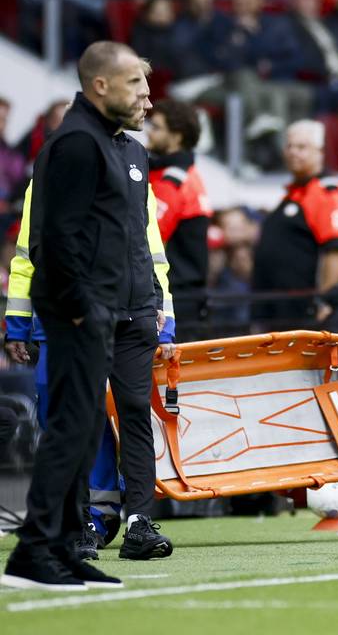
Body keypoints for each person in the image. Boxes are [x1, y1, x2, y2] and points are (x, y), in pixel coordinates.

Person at [2, 42, 177, 591]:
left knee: (85, 430)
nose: (147, 98)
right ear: (100, 86)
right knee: (70, 431)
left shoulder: (119, 148)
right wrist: (80, 309)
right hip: (81, 315)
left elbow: (129, 241)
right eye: (135, 86)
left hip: (120, 311)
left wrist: (147, 304)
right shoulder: (75, 144)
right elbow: (53, 241)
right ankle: (38, 553)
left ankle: (62, 549)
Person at [6, 177, 177, 561]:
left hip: (127, 314)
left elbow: (152, 253)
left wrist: (164, 318)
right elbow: (28, 253)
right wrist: (18, 320)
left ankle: (124, 520)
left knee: (130, 412)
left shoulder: (135, 167)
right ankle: (80, 520)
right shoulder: (49, 175)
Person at [251, 120, 338, 327]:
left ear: (319, 151)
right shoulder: (294, 192)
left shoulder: (328, 192)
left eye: (301, 147)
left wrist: (325, 301)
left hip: (304, 314)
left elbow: (335, 251)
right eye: (289, 146)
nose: (293, 152)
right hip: (277, 311)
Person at [146, 99, 211, 341]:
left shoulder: (173, 181)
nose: (150, 132)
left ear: (177, 137)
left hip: (174, 299)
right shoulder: (180, 174)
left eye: (157, 127)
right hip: (182, 297)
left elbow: (148, 237)